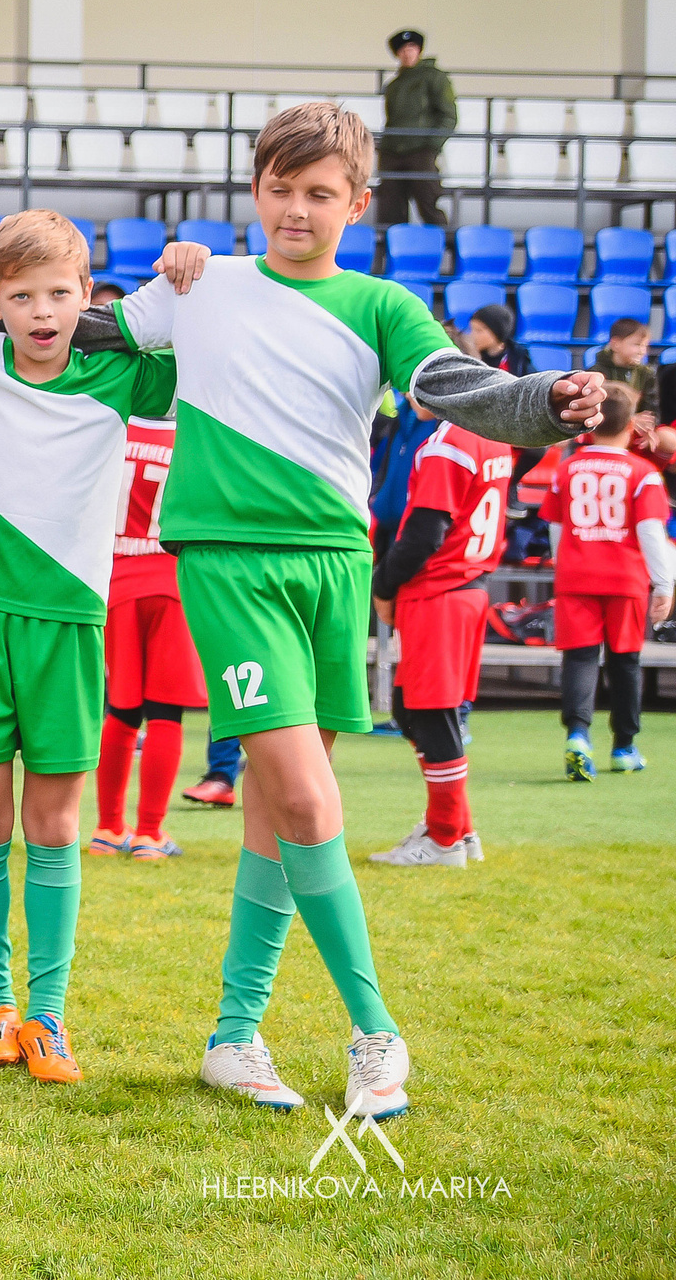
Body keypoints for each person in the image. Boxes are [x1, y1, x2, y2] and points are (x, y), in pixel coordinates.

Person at [103, 100, 598, 1120]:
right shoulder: (198, 282)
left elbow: (461, 387)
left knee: (278, 819)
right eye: (278, 189)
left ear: (358, 202)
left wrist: (549, 398)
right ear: (253, 191)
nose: (295, 208)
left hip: (333, 565)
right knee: (311, 800)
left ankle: (232, 1037)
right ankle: (376, 1033)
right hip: (228, 563)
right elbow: (69, 328)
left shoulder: (380, 303)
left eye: (318, 193)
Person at [0, 210, 176, 1088]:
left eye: (59, 294)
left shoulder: (120, 374)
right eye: (20, 295)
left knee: (57, 825)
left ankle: (49, 1016)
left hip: (69, 623)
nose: (40, 311)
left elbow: (205, 339)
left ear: (88, 298)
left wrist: (186, 273)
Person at [370, 402, 512, 866]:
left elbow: (425, 533)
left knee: (431, 715)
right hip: (465, 587)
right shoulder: (487, 435)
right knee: (415, 711)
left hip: (441, 590)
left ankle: (446, 839)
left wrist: (384, 584)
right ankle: (455, 828)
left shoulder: (450, 443)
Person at [540, 383, 673, 780]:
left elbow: (555, 527)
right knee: (625, 662)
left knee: (579, 658)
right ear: (632, 426)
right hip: (625, 579)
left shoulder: (567, 468)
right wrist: (664, 585)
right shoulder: (643, 473)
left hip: (577, 576)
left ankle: (578, 736)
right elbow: (652, 532)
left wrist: (564, 564)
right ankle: (624, 746)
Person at [91, 411, 204, 860]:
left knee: (120, 709)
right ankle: (150, 833)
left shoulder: (112, 428)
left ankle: (106, 827)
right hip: (170, 580)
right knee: (165, 713)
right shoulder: (192, 436)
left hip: (116, 579)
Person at [376, 30, 455, 227]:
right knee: (390, 207)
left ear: (419, 50)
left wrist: (432, 145)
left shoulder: (434, 78)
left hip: (421, 149)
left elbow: (448, 115)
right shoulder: (394, 85)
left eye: (412, 48)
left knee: (428, 202)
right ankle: (393, 253)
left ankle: (440, 248)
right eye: (402, 50)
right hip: (393, 150)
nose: (407, 53)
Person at [589, 318, 657, 422]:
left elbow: (652, 409)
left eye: (645, 346)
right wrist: (631, 420)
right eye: (637, 345)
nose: (642, 351)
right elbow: (596, 410)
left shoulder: (646, 373)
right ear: (616, 344)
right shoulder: (597, 372)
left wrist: (649, 425)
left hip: (638, 429)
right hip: (606, 427)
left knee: (663, 433)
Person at [463, 303, 530, 377]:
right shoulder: (468, 358)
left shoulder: (519, 358)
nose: (472, 335)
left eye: (479, 331)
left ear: (497, 332)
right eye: (471, 329)